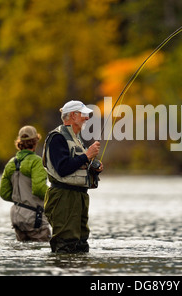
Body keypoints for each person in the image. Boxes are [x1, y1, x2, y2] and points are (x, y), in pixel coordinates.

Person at [42, 100, 103, 253]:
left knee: (81, 245)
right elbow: (62, 169)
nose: (87, 118)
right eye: (84, 114)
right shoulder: (57, 138)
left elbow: (76, 166)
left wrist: (93, 169)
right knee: (65, 244)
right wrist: (87, 156)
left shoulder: (76, 139)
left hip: (79, 197)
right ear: (73, 116)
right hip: (63, 198)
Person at [0, 125, 51, 242]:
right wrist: (54, 196)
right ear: (35, 141)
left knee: (23, 255)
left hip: (16, 216)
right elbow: (39, 189)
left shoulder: (11, 163)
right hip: (34, 217)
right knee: (42, 252)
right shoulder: (36, 161)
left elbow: (3, 193)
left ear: (20, 142)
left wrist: (21, 199)